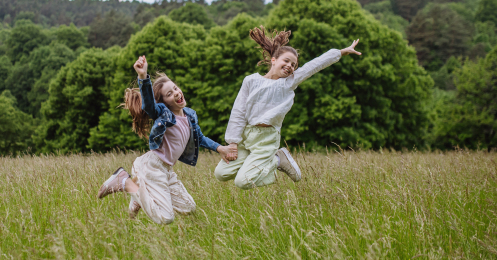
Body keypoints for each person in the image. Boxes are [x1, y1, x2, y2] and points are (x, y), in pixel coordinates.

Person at [215, 26, 361, 189]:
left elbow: (314, 65)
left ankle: (277, 159)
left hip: (267, 140)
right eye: (287, 61)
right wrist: (233, 143)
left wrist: (340, 52)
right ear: (274, 60)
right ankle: (261, 163)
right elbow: (238, 111)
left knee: (242, 182)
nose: (290, 66)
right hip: (247, 137)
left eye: (294, 64)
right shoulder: (250, 81)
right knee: (221, 174)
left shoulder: (288, 83)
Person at [97, 55, 237, 225]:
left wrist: (220, 148)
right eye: (169, 94)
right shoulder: (164, 114)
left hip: (167, 170)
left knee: (189, 207)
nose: (176, 93)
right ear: (164, 102)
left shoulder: (190, 115)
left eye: (176, 88)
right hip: (152, 166)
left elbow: (199, 137)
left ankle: (138, 195)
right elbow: (149, 105)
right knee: (166, 218)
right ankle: (125, 182)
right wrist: (143, 76)